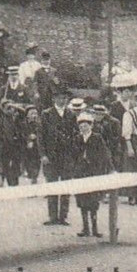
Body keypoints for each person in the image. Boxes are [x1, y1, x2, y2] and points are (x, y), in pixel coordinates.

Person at [71, 110, 115, 238]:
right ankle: (85, 228)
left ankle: (95, 228)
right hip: (80, 173)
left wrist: (109, 168)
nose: (83, 128)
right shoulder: (77, 139)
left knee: (93, 201)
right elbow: (73, 155)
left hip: (94, 172)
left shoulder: (97, 138)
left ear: (91, 126)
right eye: (81, 126)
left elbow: (105, 154)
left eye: (86, 125)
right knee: (82, 201)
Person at [41, 93, 81, 226]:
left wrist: (73, 154)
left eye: (64, 98)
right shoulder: (46, 114)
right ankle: (52, 217)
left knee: (65, 186)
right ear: (54, 99)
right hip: (51, 156)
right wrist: (43, 155)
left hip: (66, 156)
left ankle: (63, 216)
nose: (61, 100)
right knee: (52, 186)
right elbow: (41, 136)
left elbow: (76, 134)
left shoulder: (71, 114)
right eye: (59, 98)